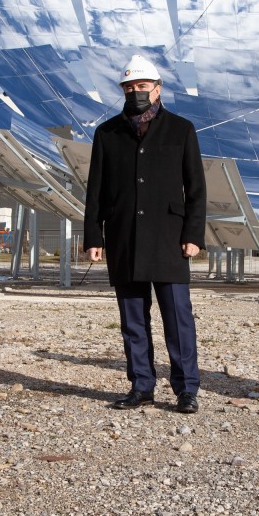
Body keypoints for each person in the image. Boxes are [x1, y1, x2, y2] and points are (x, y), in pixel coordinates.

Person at [84, 54, 207, 414]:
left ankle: (186, 389)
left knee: (178, 319)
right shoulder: (107, 133)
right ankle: (141, 386)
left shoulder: (181, 129)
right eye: (128, 87)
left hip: (170, 239)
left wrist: (193, 234)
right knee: (133, 321)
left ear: (157, 89)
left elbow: (196, 188)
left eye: (141, 86)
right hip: (124, 237)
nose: (135, 91)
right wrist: (94, 237)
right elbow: (96, 191)